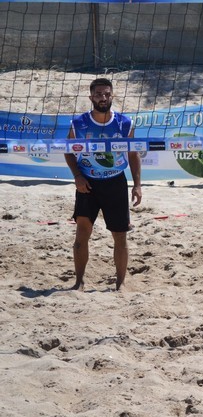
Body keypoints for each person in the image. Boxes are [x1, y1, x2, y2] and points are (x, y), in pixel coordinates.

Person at [64, 78, 142, 291]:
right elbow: (68, 151)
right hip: (87, 183)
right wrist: (77, 176)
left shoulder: (124, 123)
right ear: (91, 97)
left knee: (120, 236)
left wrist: (137, 185)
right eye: (99, 94)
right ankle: (79, 282)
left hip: (115, 182)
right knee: (82, 234)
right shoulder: (78, 124)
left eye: (107, 94)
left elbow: (133, 154)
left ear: (112, 96)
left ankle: (121, 283)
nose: (103, 98)